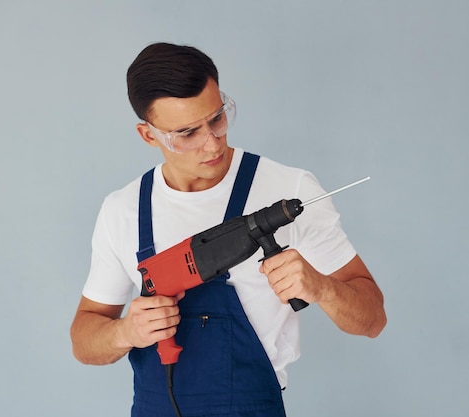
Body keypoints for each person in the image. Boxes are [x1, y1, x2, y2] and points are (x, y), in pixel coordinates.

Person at [70, 42, 386, 417]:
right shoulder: (122, 209)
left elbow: (372, 319)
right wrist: (125, 332)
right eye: (187, 133)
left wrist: (321, 286)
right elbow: (84, 341)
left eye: (217, 118)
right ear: (148, 135)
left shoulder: (290, 188)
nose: (212, 142)